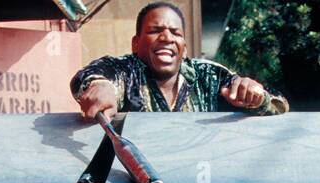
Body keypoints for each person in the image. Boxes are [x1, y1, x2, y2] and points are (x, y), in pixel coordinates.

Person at [72, 2, 287, 121]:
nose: (167, 38)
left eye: (176, 32)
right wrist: (100, 86)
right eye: (155, 31)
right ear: (135, 44)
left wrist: (256, 97)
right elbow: (92, 76)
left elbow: (279, 106)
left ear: (184, 48)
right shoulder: (126, 72)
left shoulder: (209, 77)